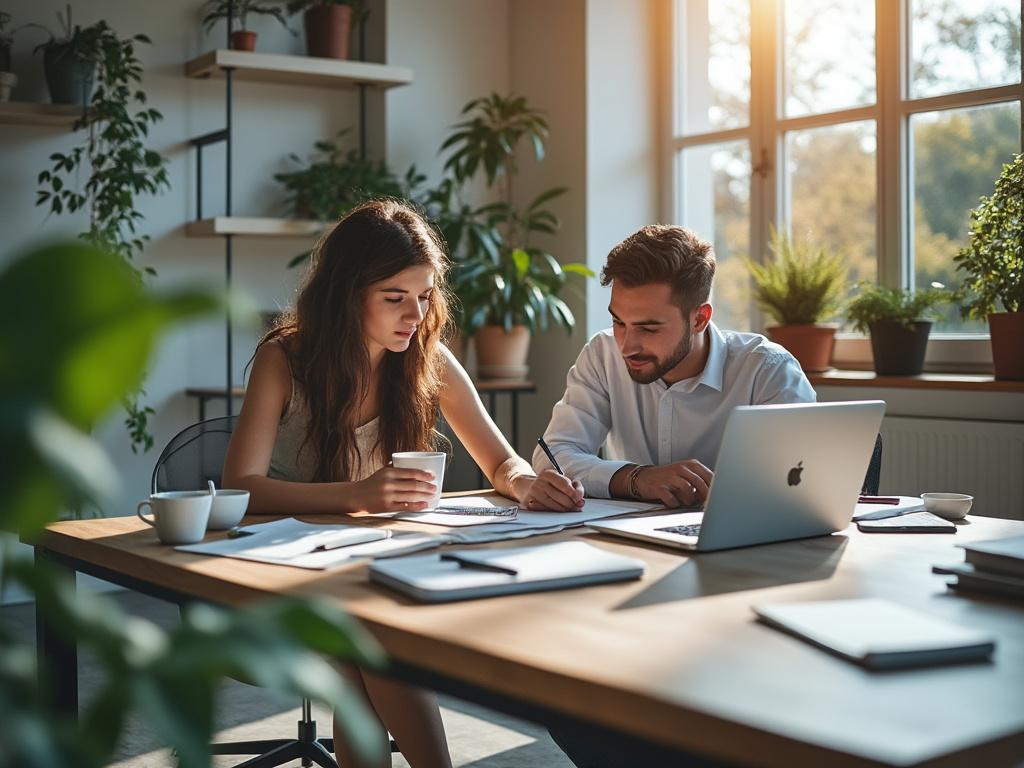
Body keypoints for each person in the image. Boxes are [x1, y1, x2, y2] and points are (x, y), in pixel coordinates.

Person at [222, 199, 584, 768]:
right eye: (395, 298)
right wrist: (358, 495)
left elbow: (501, 460)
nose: (414, 314)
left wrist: (526, 483)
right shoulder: (285, 358)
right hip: (278, 564)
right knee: (378, 645)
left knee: (368, 644)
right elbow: (240, 488)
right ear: (347, 295)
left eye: (424, 296)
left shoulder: (424, 358)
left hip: (361, 561)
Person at [532, 223, 815, 767]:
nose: (628, 344)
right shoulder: (602, 357)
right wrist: (637, 477)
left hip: (741, 584)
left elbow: (805, 491)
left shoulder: (766, 370)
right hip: (629, 572)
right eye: (618, 322)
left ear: (700, 318)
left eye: (648, 327)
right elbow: (553, 454)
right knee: (555, 678)